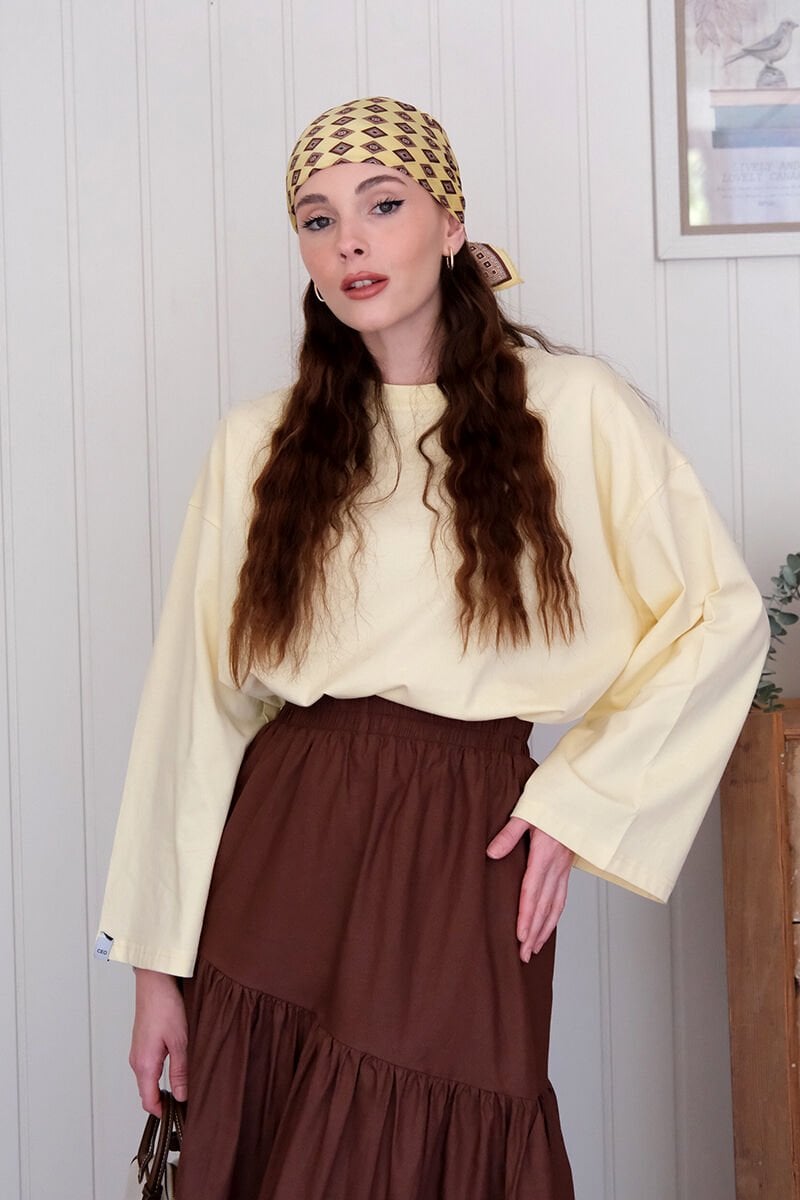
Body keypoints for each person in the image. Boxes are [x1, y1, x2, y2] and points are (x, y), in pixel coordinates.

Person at [97, 97, 769, 1200]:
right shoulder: (257, 443)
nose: (348, 242)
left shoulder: (573, 411)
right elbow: (195, 710)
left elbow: (717, 616)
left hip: (463, 840)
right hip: (286, 838)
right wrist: (152, 972)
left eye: (383, 205)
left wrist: (578, 802)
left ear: (451, 225)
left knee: (439, 1137)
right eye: (317, 220)